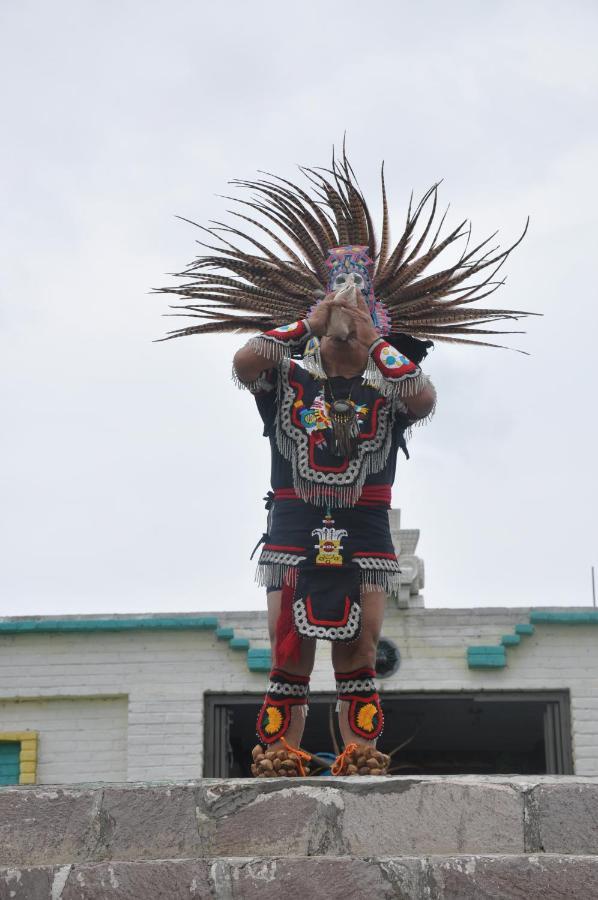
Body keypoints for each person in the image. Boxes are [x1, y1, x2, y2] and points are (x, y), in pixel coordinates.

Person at [159, 148, 531, 776]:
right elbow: (245, 363)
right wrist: (304, 326)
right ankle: (279, 754)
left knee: (357, 657)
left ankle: (359, 754)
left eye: (354, 313)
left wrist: (374, 336)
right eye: (336, 313)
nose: (343, 320)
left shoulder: (389, 391)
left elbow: (424, 395)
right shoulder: (286, 383)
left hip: (363, 533)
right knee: (289, 655)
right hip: (294, 532)